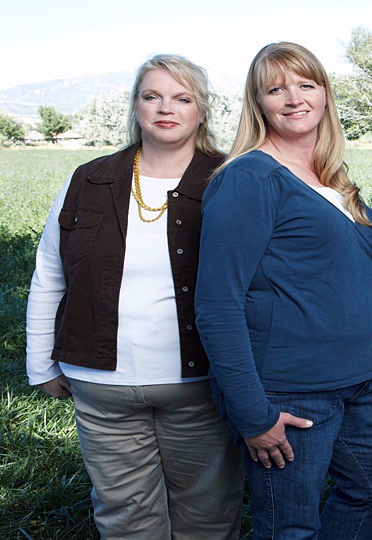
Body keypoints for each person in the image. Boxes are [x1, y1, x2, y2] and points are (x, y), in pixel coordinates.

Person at [24, 54, 243, 539]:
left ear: (202, 110)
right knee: (125, 518)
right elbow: (49, 275)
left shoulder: (233, 178)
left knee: (209, 516)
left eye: (182, 98)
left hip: (204, 382)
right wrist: (41, 365)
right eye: (152, 96)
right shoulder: (88, 179)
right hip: (103, 386)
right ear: (136, 106)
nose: (166, 108)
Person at [194, 42, 372, 539]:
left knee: (367, 495)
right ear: (258, 102)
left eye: (306, 84)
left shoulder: (332, 178)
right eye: (276, 89)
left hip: (358, 382)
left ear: (325, 94)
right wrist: (253, 415)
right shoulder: (248, 179)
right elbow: (217, 306)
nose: (294, 98)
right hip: (289, 391)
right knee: (290, 526)